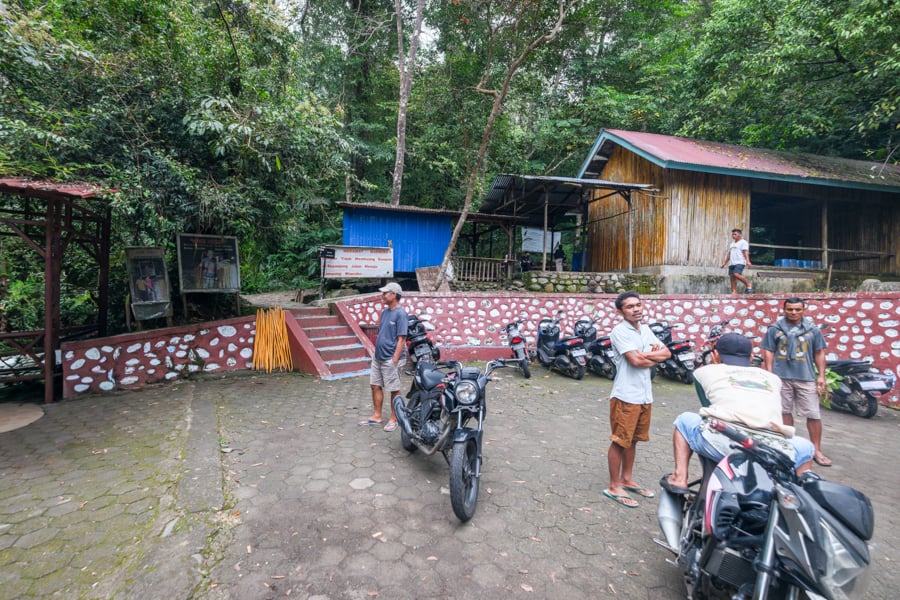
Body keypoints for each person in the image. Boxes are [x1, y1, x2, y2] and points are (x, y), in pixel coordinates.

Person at [662, 333, 814, 493]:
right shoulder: (773, 378)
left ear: (716, 355)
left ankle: (679, 478)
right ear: (751, 356)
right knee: (806, 448)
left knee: (685, 420)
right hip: (773, 449)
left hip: (724, 441)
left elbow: (707, 407)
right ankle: (794, 493)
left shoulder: (704, 372)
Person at [604, 291, 671, 508]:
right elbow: (635, 362)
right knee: (619, 440)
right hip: (626, 395)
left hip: (644, 395)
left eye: (638, 305)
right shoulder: (619, 332)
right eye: (630, 307)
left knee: (633, 440)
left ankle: (627, 479)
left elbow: (667, 354)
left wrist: (644, 355)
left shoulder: (646, 330)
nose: (637, 309)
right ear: (620, 311)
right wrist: (649, 356)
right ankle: (614, 485)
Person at [762, 297, 831, 466]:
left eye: (798, 309)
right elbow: (769, 350)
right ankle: (788, 444)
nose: (794, 313)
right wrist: (770, 373)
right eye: (790, 309)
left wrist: (821, 375)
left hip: (805, 377)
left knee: (813, 414)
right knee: (784, 412)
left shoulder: (812, 330)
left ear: (804, 310)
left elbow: (819, 352)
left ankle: (816, 449)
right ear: (784, 310)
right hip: (781, 377)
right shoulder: (775, 329)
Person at [360, 282, 408, 432]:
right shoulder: (385, 312)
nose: (382, 295)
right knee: (375, 385)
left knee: (394, 389)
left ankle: (394, 418)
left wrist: (395, 360)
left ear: (394, 295)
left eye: (385, 293)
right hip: (378, 356)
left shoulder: (401, 314)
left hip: (391, 358)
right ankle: (377, 415)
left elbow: (402, 339)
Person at [720, 228, 752, 294]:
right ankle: (734, 291)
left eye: (735, 234)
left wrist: (748, 261)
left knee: (736, 274)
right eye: (732, 234)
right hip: (732, 263)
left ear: (739, 235)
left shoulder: (743, 242)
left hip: (740, 262)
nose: (733, 236)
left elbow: (745, 252)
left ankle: (748, 284)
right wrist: (724, 263)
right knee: (732, 277)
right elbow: (729, 254)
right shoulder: (732, 244)